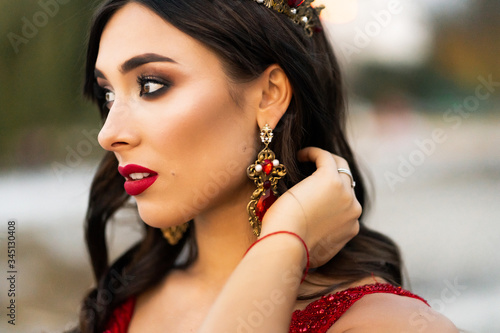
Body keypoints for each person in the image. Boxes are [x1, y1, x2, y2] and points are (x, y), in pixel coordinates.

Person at [74, 0, 458, 332]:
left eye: (151, 85)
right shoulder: (120, 302)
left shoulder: (390, 324)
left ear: (269, 94)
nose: (108, 134)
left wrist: (285, 241)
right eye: (108, 94)